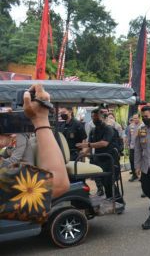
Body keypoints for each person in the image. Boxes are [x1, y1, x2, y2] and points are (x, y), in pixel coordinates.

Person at [1, 84, 70, 222]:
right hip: (20, 169)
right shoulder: (14, 138)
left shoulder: (19, 137)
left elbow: (16, 158)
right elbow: (59, 184)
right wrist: (40, 118)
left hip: (25, 165)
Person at [76, 108, 125, 205]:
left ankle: (119, 202)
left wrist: (87, 145)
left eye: (96, 117)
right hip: (99, 159)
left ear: (103, 117)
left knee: (109, 181)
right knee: (103, 181)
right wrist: (83, 153)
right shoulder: (93, 131)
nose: (94, 120)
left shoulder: (109, 129)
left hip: (110, 159)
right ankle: (110, 199)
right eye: (93, 118)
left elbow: (104, 143)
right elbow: (90, 144)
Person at [125, 114, 141, 182]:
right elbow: (128, 136)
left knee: (141, 161)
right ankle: (134, 175)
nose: (135, 120)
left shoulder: (142, 125)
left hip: (140, 147)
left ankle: (142, 175)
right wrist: (127, 144)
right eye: (134, 118)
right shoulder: (130, 126)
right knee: (132, 160)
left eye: (136, 118)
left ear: (139, 118)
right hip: (132, 147)